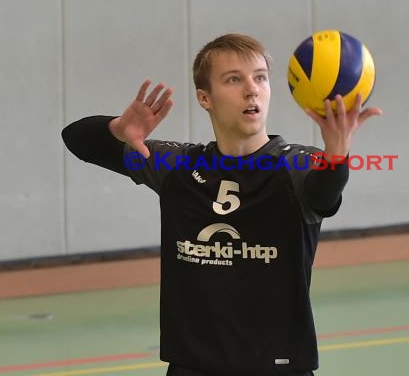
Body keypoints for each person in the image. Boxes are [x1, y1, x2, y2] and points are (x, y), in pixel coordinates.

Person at [62, 33, 382, 376]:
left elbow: (325, 195)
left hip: (278, 368)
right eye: (234, 79)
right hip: (193, 367)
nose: (251, 89)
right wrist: (119, 128)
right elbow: (77, 139)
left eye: (260, 77)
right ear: (205, 98)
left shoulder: (299, 167)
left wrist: (337, 155)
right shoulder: (178, 166)